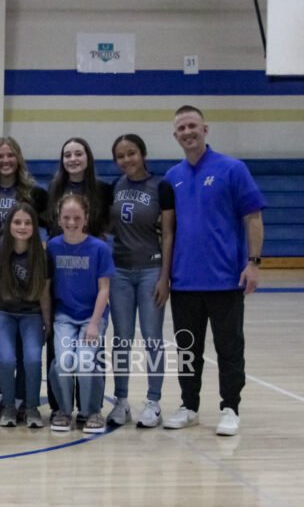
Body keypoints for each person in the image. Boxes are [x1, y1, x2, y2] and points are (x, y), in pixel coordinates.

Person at [162, 105, 265, 436]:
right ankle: (189, 405)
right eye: (181, 128)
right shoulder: (172, 177)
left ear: (205, 129)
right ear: (175, 135)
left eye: (192, 126)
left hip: (226, 280)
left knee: (229, 348)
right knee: (187, 349)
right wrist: (166, 276)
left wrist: (253, 262)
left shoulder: (232, 169)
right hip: (184, 283)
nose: (187, 132)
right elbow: (168, 232)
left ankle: (230, 407)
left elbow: (253, 218)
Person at [107, 134, 174, 428]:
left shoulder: (161, 187)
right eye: (120, 156)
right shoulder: (115, 187)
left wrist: (164, 277)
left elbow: (169, 235)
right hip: (120, 271)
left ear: (143, 154)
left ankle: (154, 402)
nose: (126, 160)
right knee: (121, 340)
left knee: (152, 338)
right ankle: (121, 402)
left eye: (131, 153)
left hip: (150, 271)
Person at [47, 195, 115, 434]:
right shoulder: (52, 246)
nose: (71, 222)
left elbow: (104, 288)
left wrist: (95, 323)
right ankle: (64, 411)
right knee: (64, 361)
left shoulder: (99, 248)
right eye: (66, 217)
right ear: (59, 218)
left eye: (77, 217)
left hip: (91, 316)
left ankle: (91, 412)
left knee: (86, 362)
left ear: (86, 219)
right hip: (64, 316)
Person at [0, 204, 51, 428]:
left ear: (35, 227)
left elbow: (45, 291)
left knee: (33, 359)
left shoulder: (41, 254)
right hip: (4, 312)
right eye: (17, 222)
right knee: (6, 360)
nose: (22, 227)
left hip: (31, 314)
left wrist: (47, 320)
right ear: (9, 225)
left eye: (27, 223)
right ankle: (8, 405)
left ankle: (31, 407)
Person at [0, 137, 48, 242]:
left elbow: (51, 225)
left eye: (10, 155)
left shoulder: (35, 194)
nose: (5, 160)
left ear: (18, 159)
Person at [45, 137, 112, 238]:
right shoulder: (53, 187)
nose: (72, 159)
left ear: (88, 158)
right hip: (59, 249)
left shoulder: (102, 189)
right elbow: (50, 222)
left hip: (90, 250)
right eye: (67, 155)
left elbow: (108, 225)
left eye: (78, 154)